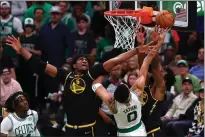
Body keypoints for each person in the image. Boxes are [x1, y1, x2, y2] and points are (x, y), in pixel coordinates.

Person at [5, 35, 153, 136]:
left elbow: (115, 61)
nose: (84, 61)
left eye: (86, 60)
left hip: (89, 129)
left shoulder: (92, 74)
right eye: (80, 59)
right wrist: (21, 50)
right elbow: (40, 65)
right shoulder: (65, 76)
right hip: (70, 129)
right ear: (74, 65)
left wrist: (136, 50)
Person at [92, 29, 168, 136]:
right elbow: (145, 66)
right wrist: (157, 43)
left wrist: (144, 44)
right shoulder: (137, 93)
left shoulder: (154, 91)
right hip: (142, 131)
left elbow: (152, 67)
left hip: (148, 132)